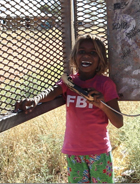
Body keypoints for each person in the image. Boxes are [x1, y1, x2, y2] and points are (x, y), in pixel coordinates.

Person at [14, 34, 123, 183]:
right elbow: (52, 92)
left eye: (93, 53)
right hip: (74, 151)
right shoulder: (69, 82)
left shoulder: (105, 84)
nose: (86, 56)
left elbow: (118, 122)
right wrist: (35, 99)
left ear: (100, 59)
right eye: (81, 51)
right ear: (75, 56)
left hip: (99, 151)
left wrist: (101, 104)